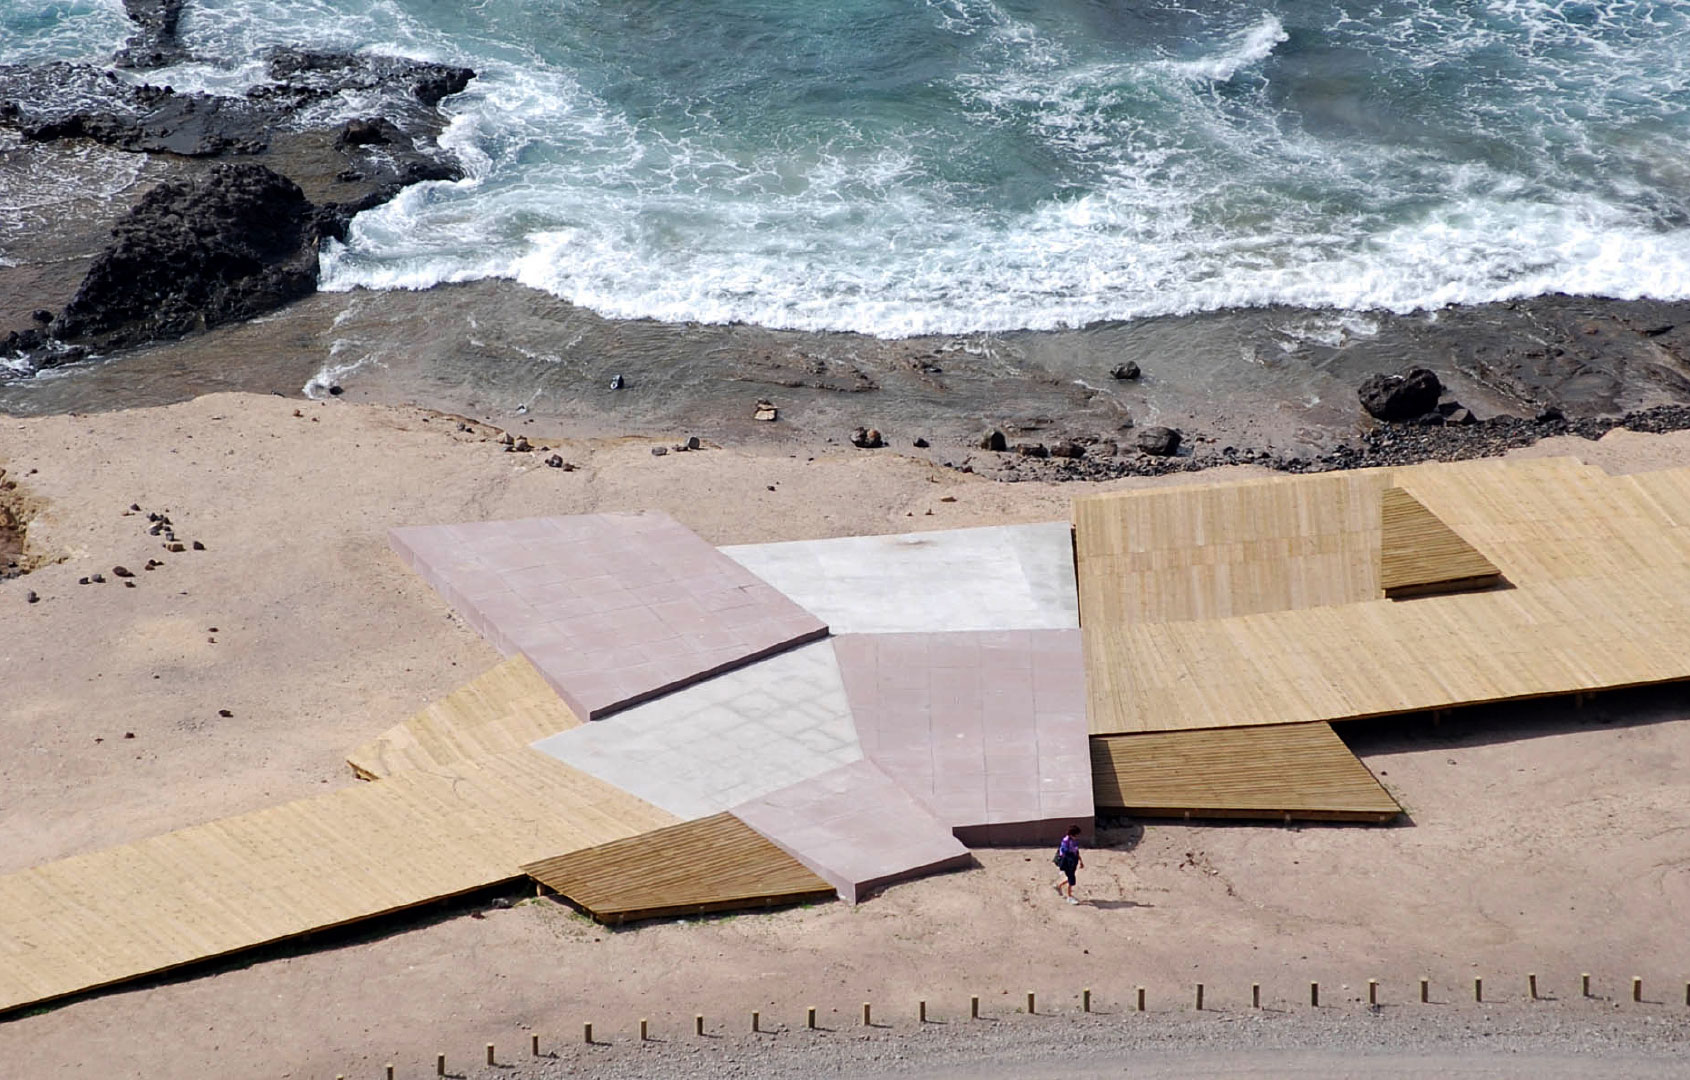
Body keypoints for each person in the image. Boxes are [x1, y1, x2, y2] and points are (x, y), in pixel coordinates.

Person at [1053, 824, 1084, 904]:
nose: (1077, 837)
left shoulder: (1074, 841)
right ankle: (1069, 896)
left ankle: (1059, 886)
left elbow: (1076, 851)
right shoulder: (1066, 841)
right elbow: (1064, 853)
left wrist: (1080, 861)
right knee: (1071, 879)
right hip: (1068, 863)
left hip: (1073, 861)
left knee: (1071, 877)